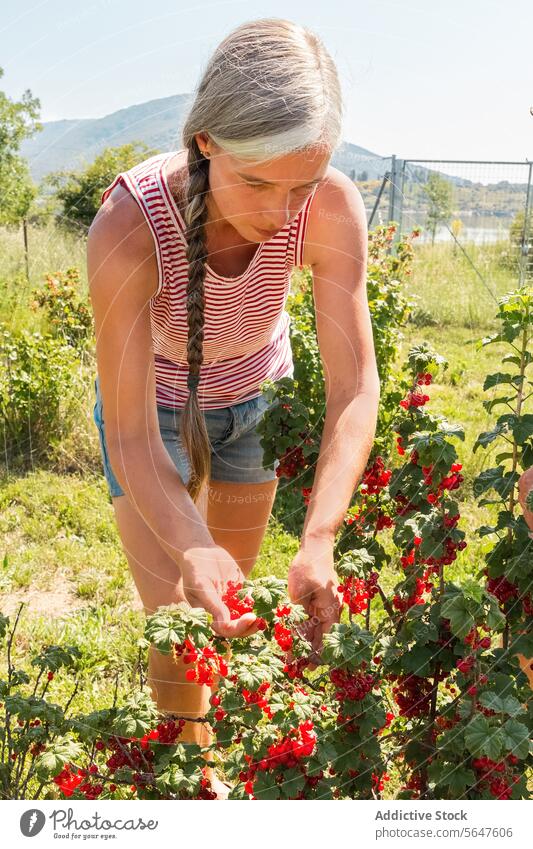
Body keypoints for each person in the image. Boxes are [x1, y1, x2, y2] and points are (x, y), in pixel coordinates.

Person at [87, 17, 379, 796]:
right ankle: (194, 776)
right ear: (207, 141)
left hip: (251, 398)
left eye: (303, 185)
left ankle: (220, 756)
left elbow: (354, 389)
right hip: (148, 413)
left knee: (231, 599)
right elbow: (128, 431)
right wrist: (190, 543)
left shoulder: (333, 210)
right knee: (180, 616)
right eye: (258, 183)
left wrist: (318, 537)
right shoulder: (128, 225)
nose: (283, 214)